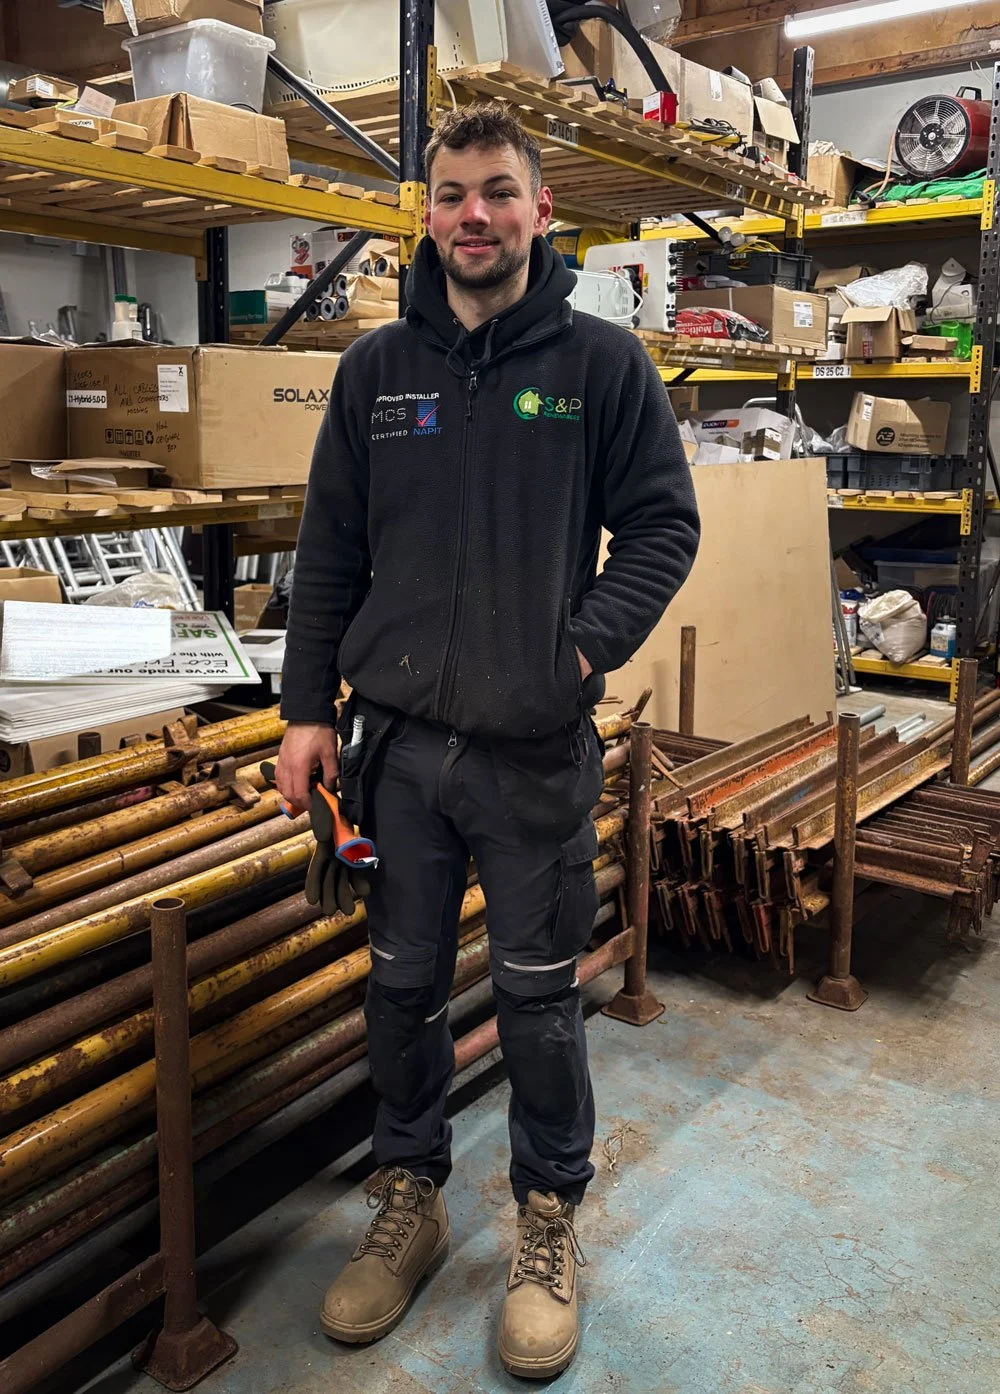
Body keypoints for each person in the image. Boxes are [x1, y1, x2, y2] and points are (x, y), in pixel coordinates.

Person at [275, 99, 700, 1380]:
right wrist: (305, 711)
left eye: (498, 192)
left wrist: (572, 649)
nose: (475, 215)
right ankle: (407, 1196)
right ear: (427, 211)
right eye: (453, 192)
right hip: (394, 752)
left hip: (527, 755)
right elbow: (328, 554)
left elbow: (664, 528)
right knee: (400, 983)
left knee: (535, 999)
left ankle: (545, 1215)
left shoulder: (599, 367)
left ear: (539, 209)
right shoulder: (374, 370)